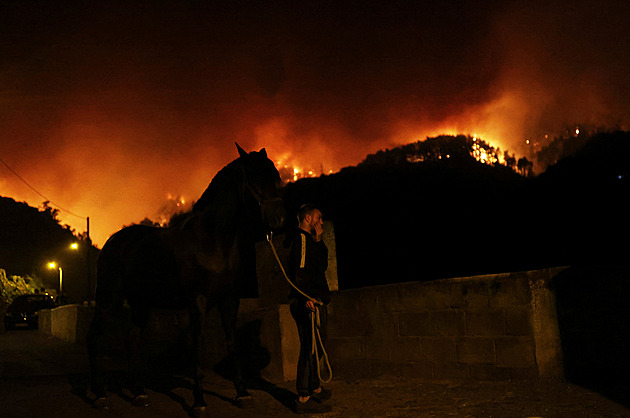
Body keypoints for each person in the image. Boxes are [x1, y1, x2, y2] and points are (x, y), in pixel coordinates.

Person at [288, 204, 332, 414]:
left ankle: (314, 385)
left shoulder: (311, 240)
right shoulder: (301, 241)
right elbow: (299, 272)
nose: (321, 222)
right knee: (308, 345)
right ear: (307, 218)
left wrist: (319, 239)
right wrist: (305, 297)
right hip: (306, 302)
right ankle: (303, 395)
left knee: (317, 343)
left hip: (315, 300)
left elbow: (320, 266)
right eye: (319, 218)